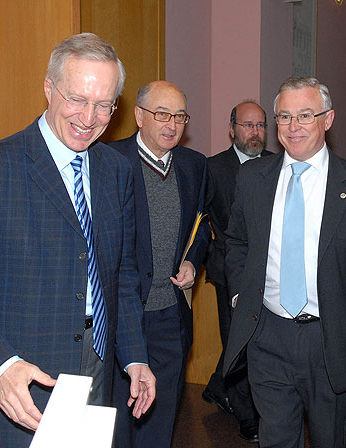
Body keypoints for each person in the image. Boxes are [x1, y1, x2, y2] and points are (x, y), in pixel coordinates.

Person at [0, 33, 155, 448]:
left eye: (104, 105)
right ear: (49, 88)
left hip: (96, 365)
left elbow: (119, 272)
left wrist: (135, 356)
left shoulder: (115, 171)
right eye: (77, 99)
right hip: (21, 376)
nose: (89, 117)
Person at [223, 77, 346, 448]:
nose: (293, 126)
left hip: (330, 339)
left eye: (305, 115)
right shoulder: (253, 177)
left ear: (328, 119)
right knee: (276, 438)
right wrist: (241, 296)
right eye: (284, 117)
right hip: (267, 334)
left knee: (331, 439)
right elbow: (235, 241)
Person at [108, 80, 210, 448]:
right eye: (162, 114)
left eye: (180, 116)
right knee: (119, 418)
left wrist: (193, 263)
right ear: (138, 116)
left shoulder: (194, 165)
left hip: (170, 312)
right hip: (122, 315)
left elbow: (202, 224)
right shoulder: (108, 161)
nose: (172, 125)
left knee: (161, 414)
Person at [202, 100, 273, 443]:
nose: (255, 132)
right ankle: (247, 413)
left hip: (271, 270)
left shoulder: (280, 164)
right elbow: (200, 221)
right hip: (229, 270)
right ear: (232, 130)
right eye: (247, 125)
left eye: (260, 125)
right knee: (237, 339)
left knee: (261, 340)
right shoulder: (214, 169)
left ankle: (219, 386)